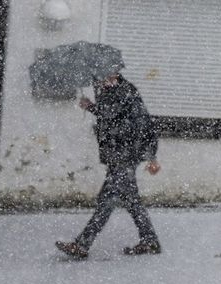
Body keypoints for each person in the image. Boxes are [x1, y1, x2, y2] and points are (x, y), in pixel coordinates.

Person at [56, 72, 161, 259]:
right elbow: (112, 115)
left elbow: (141, 124)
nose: (101, 83)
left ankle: (82, 245)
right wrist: (92, 107)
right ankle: (150, 240)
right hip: (117, 156)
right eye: (99, 80)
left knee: (107, 200)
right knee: (132, 201)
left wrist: (151, 156)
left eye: (104, 79)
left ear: (114, 75)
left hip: (126, 156)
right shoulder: (112, 92)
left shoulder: (125, 91)